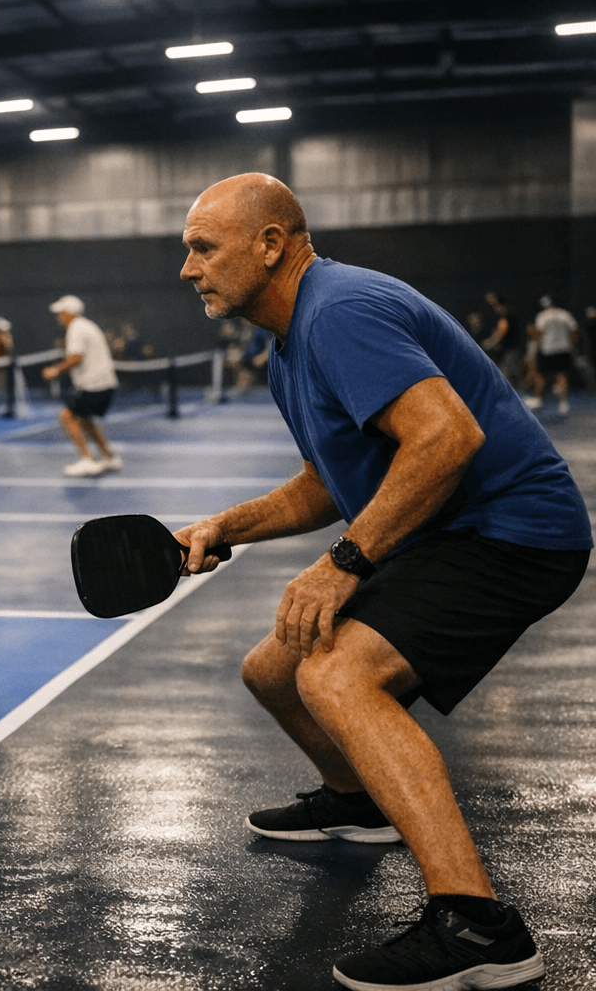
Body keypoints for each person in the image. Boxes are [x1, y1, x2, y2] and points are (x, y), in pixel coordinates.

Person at [173, 173, 589, 990]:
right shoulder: (288, 345)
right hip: (449, 530)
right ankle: (358, 801)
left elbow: (446, 438)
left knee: (336, 675)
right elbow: (326, 484)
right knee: (273, 668)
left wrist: (343, 564)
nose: (188, 269)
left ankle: (478, 928)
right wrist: (227, 526)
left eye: (202, 248)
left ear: (271, 244)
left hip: (514, 532)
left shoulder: (338, 312)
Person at [41, 295, 120, 477]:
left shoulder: (76, 328)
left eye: (61, 312)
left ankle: (87, 459)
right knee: (84, 419)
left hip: (94, 385)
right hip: (104, 384)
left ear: (70, 313)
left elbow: (76, 357)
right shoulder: (87, 325)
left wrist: (55, 370)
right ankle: (109, 457)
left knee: (67, 416)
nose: (59, 317)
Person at [526, 294, 579, 415]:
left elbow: (538, 334)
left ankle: (538, 399)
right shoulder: (565, 314)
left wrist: (534, 350)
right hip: (563, 349)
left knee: (540, 375)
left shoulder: (542, 316)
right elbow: (574, 332)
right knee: (562, 375)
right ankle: (563, 404)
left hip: (547, 350)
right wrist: (572, 346)